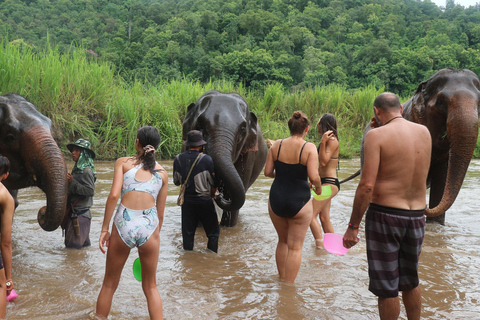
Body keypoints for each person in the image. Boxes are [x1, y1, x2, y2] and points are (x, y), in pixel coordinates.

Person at [343, 93, 432, 320]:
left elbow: (366, 186)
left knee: (387, 287)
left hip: (386, 216)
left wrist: (353, 226)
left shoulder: (375, 136)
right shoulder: (424, 133)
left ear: (376, 111)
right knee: (411, 281)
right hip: (417, 217)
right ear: (401, 108)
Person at [96, 126, 167, 320]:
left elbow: (113, 196)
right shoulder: (162, 174)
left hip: (123, 224)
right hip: (149, 227)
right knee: (151, 287)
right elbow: (160, 215)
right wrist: (153, 237)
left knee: (109, 284)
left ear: (137, 143)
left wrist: (104, 229)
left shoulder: (123, 163)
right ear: (157, 147)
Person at [265, 111, 322, 283]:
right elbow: (313, 177)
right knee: (295, 248)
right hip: (300, 200)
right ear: (306, 129)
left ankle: (281, 278)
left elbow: (268, 172)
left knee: (282, 241)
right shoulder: (309, 148)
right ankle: (288, 288)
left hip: (276, 199)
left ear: (289, 127)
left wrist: (284, 174)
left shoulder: (276, 146)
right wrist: (318, 188)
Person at [173, 130, 219, 253]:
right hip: (205, 202)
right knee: (213, 233)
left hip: (187, 203)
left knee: (187, 235)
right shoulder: (207, 159)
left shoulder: (178, 159)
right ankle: (211, 258)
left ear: (188, 144)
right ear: (201, 144)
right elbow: (213, 183)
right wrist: (212, 195)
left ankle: (188, 260)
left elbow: (177, 181)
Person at [310, 113, 340, 248]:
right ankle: (334, 247)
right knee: (324, 218)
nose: (317, 124)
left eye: (318, 121)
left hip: (329, 184)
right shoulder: (329, 141)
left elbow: (323, 162)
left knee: (310, 215)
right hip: (324, 183)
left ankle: (320, 247)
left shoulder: (331, 141)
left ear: (324, 124)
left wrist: (322, 142)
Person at [65, 138, 96, 249]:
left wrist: (72, 182)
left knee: (72, 250)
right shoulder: (77, 169)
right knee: (81, 251)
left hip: (79, 215)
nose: (73, 153)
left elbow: (90, 191)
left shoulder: (86, 171)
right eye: (73, 150)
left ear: (84, 154)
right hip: (79, 215)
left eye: (77, 150)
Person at [0, 156, 14, 318]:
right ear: (6, 175)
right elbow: (6, 243)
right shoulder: (6, 196)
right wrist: (9, 278)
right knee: (1, 285)